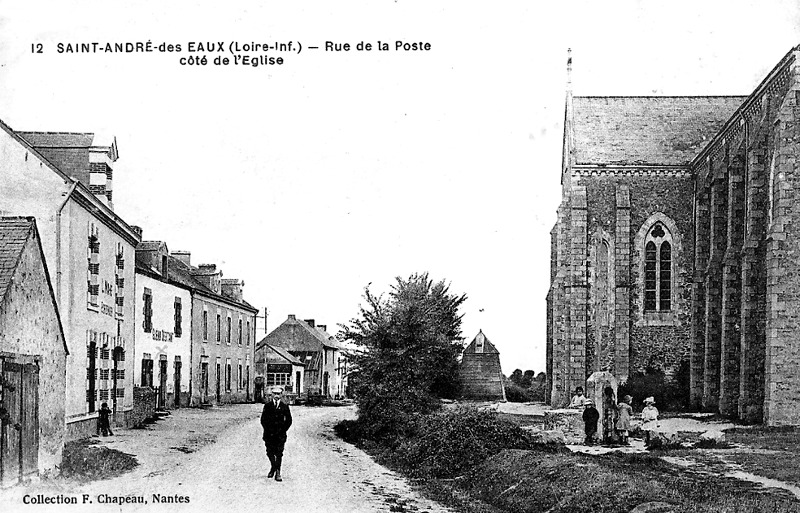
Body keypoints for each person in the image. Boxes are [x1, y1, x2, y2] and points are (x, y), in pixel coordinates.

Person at [261, 386, 292, 482]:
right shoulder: (267, 406)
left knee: (279, 453)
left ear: (281, 395)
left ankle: (278, 472)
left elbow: (289, 421)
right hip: (269, 435)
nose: (276, 396)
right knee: (269, 452)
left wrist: (283, 430)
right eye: (274, 394)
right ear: (272, 395)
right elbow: (263, 420)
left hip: (280, 435)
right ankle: (273, 467)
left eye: (278, 394)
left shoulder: (284, 407)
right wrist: (268, 430)